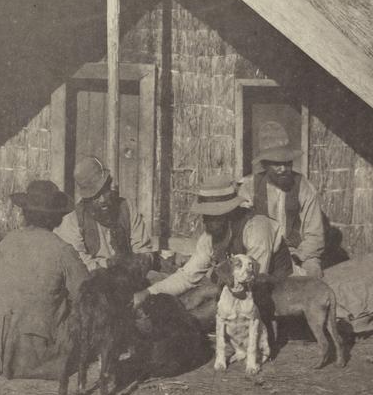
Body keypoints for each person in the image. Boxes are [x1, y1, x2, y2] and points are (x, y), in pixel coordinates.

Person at [0, 180, 90, 380]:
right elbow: (86, 293)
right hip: (36, 355)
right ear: (57, 218)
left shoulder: (6, 242)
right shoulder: (62, 250)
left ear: (25, 213)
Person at [132, 178, 291, 309]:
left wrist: (206, 292)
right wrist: (147, 293)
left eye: (212, 216)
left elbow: (252, 281)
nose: (205, 221)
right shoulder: (210, 237)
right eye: (205, 216)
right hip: (235, 293)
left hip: (278, 292)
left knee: (200, 312)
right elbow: (187, 276)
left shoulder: (256, 227)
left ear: (229, 214)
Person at [237, 121, 325, 277]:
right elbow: (242, 231)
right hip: (261, 252)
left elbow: (315, 235)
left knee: (312, 276)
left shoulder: (305, 188)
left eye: (287, 163)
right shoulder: (249, 188)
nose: (283, 169)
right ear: (264, 164)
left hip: (297, 254)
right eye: (276, 164)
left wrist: (297, 256)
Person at [55, 156, 154, 272]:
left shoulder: (127, 208)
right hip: (95, 279)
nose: (102, 200)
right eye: (95, 196)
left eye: (105, 191)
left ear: (109, 187)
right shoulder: (73, 221)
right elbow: (78, 266)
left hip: (130, 274)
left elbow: (143, 249)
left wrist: (143, 260)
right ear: (86, 198)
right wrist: (110, 264)